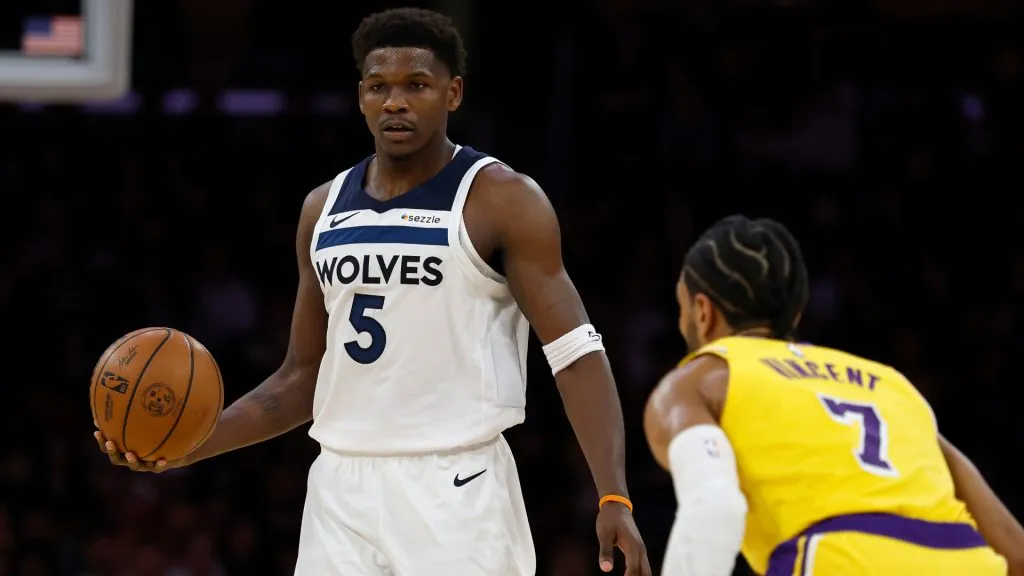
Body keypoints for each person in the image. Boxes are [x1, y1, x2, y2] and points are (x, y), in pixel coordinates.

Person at [93, 7, 651, 576]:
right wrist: (184, 443)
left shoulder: (501, 199)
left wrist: (613, 494)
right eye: (379, 86)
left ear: (453, 93)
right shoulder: (323, 208)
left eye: (417, 85)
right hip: (340, 487)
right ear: (361, 96)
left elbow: (576, 354)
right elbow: (300, 378)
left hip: (456, 486)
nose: (395, 102)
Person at [643, 215, 1024, 575]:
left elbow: (714, 507)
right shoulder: (892, 385)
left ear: (702, 312)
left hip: (841, 558)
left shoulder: (697, 382)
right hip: (969, 560)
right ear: (796, 315)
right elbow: (1014, 548)